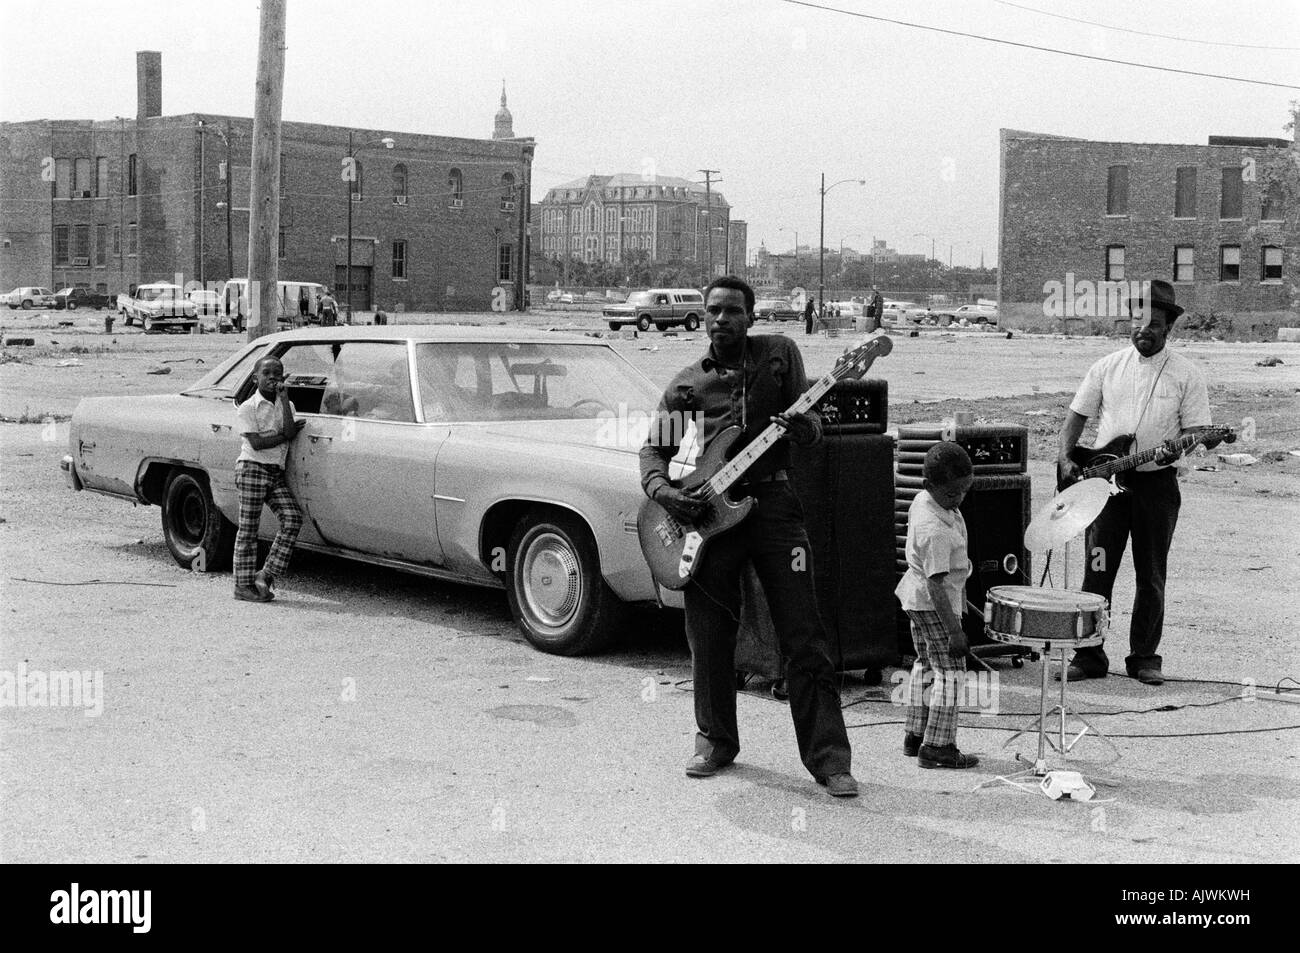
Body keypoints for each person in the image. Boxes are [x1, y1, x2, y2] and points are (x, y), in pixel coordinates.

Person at [639, 275, 858, 798]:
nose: (721, 320)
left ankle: (829, 760)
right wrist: (666, 495)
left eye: (733, 311)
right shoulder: (688, 384)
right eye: (714, 310)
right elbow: (654, 453)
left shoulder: (780, 356)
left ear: (751, 317)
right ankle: (715, 740)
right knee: (709, 635)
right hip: (708, 518)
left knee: (804, 634)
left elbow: (814, 430)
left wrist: (804, 427)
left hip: (776, 507)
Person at [1057, 279, 1212, 686]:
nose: (1144, 330)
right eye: (1138, 321)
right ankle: (1088, 655)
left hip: (1155, 488)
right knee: (1097, 571)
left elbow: (1197, 431)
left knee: (1151, 573)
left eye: (1154, 324)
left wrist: (1175, 451)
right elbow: (1076, 418)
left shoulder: (1186, 374)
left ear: (1169, 328)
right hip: (1105, 488)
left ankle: (1144, 657)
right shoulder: (1106, 366)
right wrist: (1065, 458)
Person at [896, 443, 980, 769]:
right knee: (951, 673)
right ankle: (938, 746)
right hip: (932, 602)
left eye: (964, 491)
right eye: (952, 494)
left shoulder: (924, 501)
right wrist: (955, 632)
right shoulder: (936, 531)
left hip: (915, 597)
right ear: (929, 485)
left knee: (926, 664)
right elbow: (936, 586)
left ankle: (915, 734)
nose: (959, 500)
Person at [234, 356, 306, 602]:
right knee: (248, 530)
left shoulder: (287, 405)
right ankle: (242, 586)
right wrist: (285, 435)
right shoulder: (248, 408)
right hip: (252, 468)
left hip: (275, 472)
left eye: (278, 373)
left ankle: (266, 574)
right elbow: (257, 442)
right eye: (267, 373)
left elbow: (288, 429)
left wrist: (284, 399)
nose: (273, 378)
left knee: (292, 518)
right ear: (256, 378)